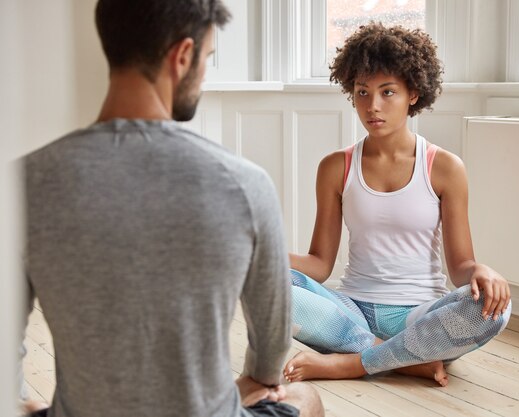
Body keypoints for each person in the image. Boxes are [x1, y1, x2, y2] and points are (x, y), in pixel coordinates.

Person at [20, 1, 324, 416]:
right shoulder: (245, 183)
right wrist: (246, 384)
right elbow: (271, 355)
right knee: (305, 398)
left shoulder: (23, 182)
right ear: (182, 56)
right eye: (207, 59)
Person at [283, 23, 512, 387]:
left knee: (494, 307)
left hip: (420, 317)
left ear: (413, 94)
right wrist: (260, 256)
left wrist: (484, 271)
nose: (372, 106)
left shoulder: (445, 167)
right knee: (268, 282)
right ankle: (402, 358)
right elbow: (319, 265)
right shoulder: (334, 167)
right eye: (362, 93)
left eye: (387, 92)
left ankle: (351, 363)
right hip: (352, 312)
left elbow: (460, 268)